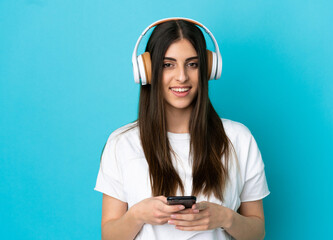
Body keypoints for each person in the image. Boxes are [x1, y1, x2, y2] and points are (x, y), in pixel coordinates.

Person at [94, 17, 270, 240]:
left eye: (192, 64)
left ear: (208, 69)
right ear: (147, 71)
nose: (182, 77)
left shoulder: (238, 138)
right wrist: (137, 215)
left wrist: (226, 218)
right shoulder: (122, 143)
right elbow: (108, 235)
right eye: (168, 65)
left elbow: (257, 232)